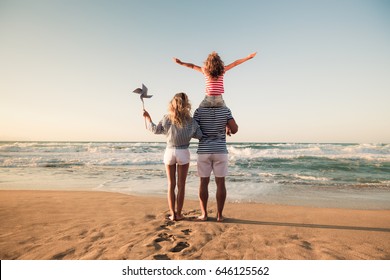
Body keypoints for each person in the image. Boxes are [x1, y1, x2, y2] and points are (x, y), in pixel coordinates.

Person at [143, 93, 203, 221]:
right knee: (181, 185)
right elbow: (200, 135)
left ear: (172, 104)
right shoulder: (191, 121)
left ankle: (172, 214)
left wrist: (148, 118)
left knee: (171, 184)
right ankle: (179, 213)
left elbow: (155, 130)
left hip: (169, 152)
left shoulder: (167, 118)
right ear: (186, 104)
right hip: (183, 153)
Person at [193, 105, 238, 222]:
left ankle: (204, 214)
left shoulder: (199, 111)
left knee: (203, 182)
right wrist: (227, 125)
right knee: (221, 183)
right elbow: (235, 129)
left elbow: (194, 131)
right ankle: (219, 215)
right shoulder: (225, 110)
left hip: (204, 150)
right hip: (220, 150)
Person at [173, 51, 256, 107]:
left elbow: (192, 66)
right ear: (219, 62)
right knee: (226, 113)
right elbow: (235, 63)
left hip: (208, 98)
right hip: (219, 98)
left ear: (207, 63)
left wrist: (181, 63)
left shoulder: (205, 70)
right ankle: (228, 127)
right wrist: (248, 57)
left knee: (199, 113)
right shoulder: (222, 69)